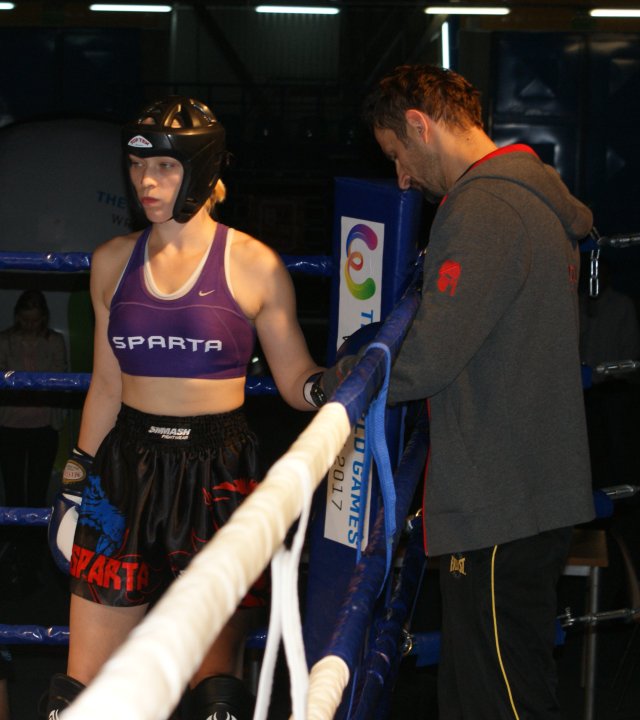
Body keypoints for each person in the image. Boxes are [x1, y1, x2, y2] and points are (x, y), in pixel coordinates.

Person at [320, 64, 596, 719]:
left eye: (397, 155)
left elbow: (427, 360)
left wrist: (336, 382)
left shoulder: (484, 207)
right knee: (492, 692)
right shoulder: (531, 196)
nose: (401, 178)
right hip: (525, 489)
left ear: (421, 125)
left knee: (500, 701)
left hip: (501, 499)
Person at [46, 96, 324, 720]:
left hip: (216, 470)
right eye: (137, 165)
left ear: (200, 169)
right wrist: (75, 475)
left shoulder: (254, 264)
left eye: (165, 167)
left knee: (216, 698)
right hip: (124, 466)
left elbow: (294, 379)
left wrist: (333, 387)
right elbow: (107, 386)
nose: (146, 181)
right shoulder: (111, 262)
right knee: (76, 696)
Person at [0, 289, 67, 510]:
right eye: (25, 320)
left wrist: (25, 387)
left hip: (44, 425)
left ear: (44, 318)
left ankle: (35, 532)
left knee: (39, 487)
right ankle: (13, 530)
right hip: (9, 424)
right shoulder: (4, 341)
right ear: (17, 316)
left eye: (35, 320)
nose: (30, 325)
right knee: (13, 487)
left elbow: (60, 376)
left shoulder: (54, 341)